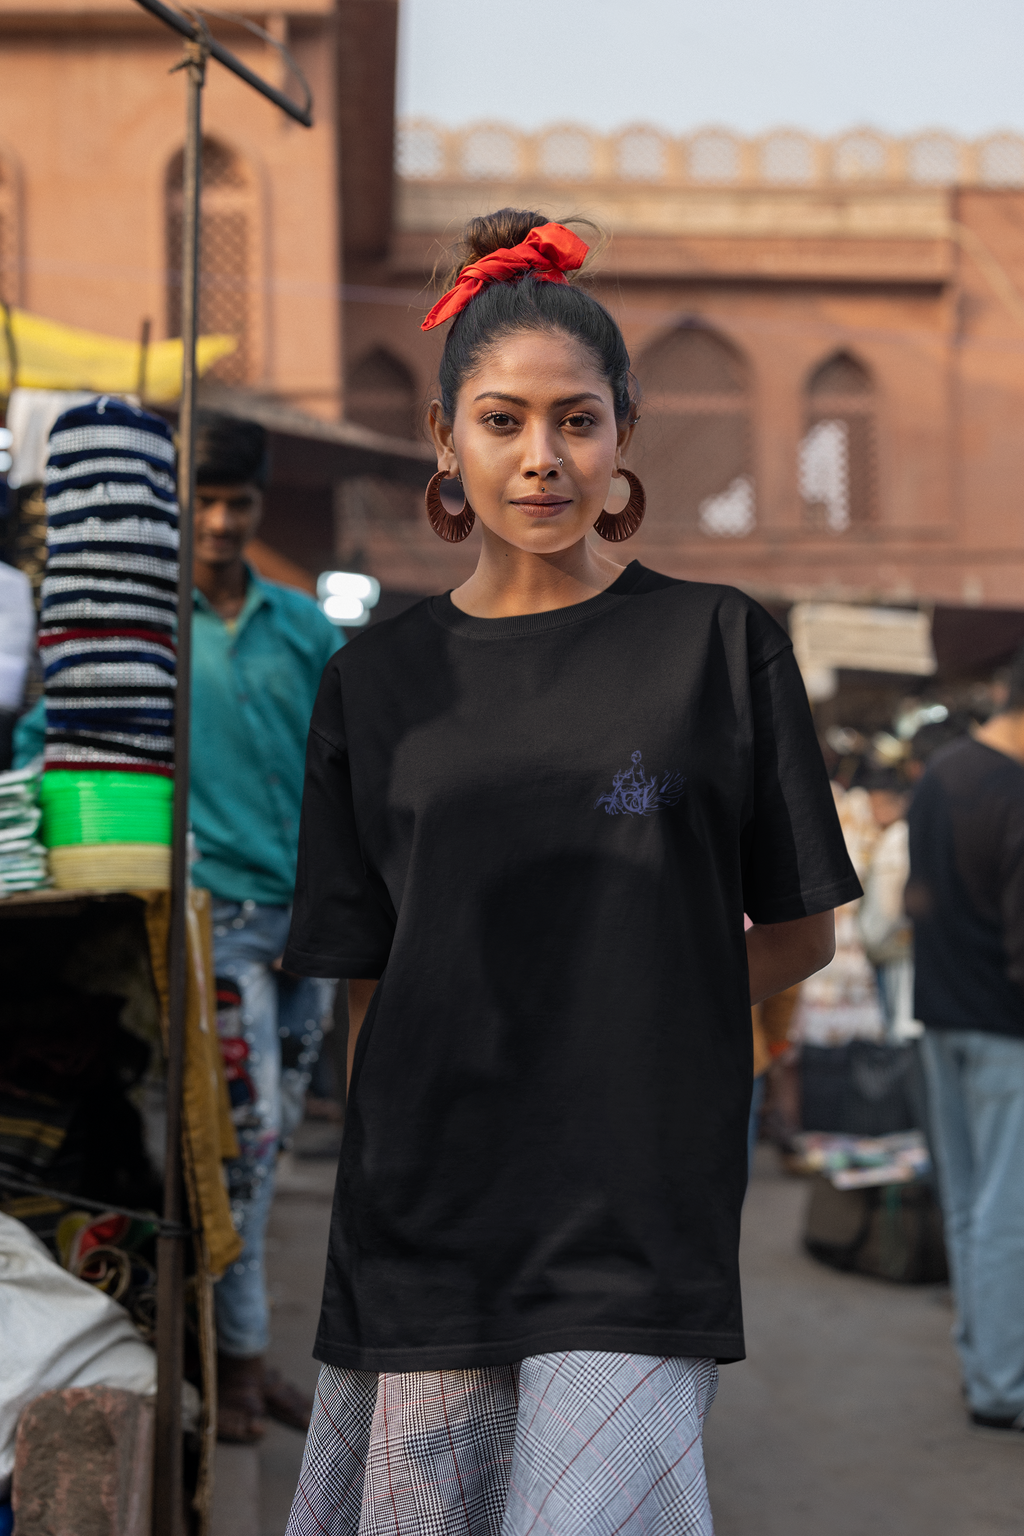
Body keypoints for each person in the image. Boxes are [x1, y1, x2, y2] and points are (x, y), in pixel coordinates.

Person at [281, 209, 861, 1536]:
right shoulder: (376, 683)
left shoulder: (717, 647)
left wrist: (635, 1004)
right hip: (429, 1200)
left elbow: (808, 929)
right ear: (444, 440)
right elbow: (369, 982)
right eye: (501, 422)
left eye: (577, 421)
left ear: (623, 434)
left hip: (634, 1193)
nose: (542, 459)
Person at [188, 412, 343, 1443]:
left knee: (270, 1149)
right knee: (242, 1149)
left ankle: (243, 1356)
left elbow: (358, 771)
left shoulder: (306, 630)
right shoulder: (148, 632)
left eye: (237, 503)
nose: (218, 521)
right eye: (202, 501)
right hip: (221, 928)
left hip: (309, 931)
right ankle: (238, 1367)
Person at [907, 653, 1024, 1432]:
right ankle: (1002, 1385)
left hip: (940, 1015)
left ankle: (984, 1362)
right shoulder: (1015, 790)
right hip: (1003, 1027)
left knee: (969, 1205)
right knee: (1006, 1211)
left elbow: (916, 895)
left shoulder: (939, 774)